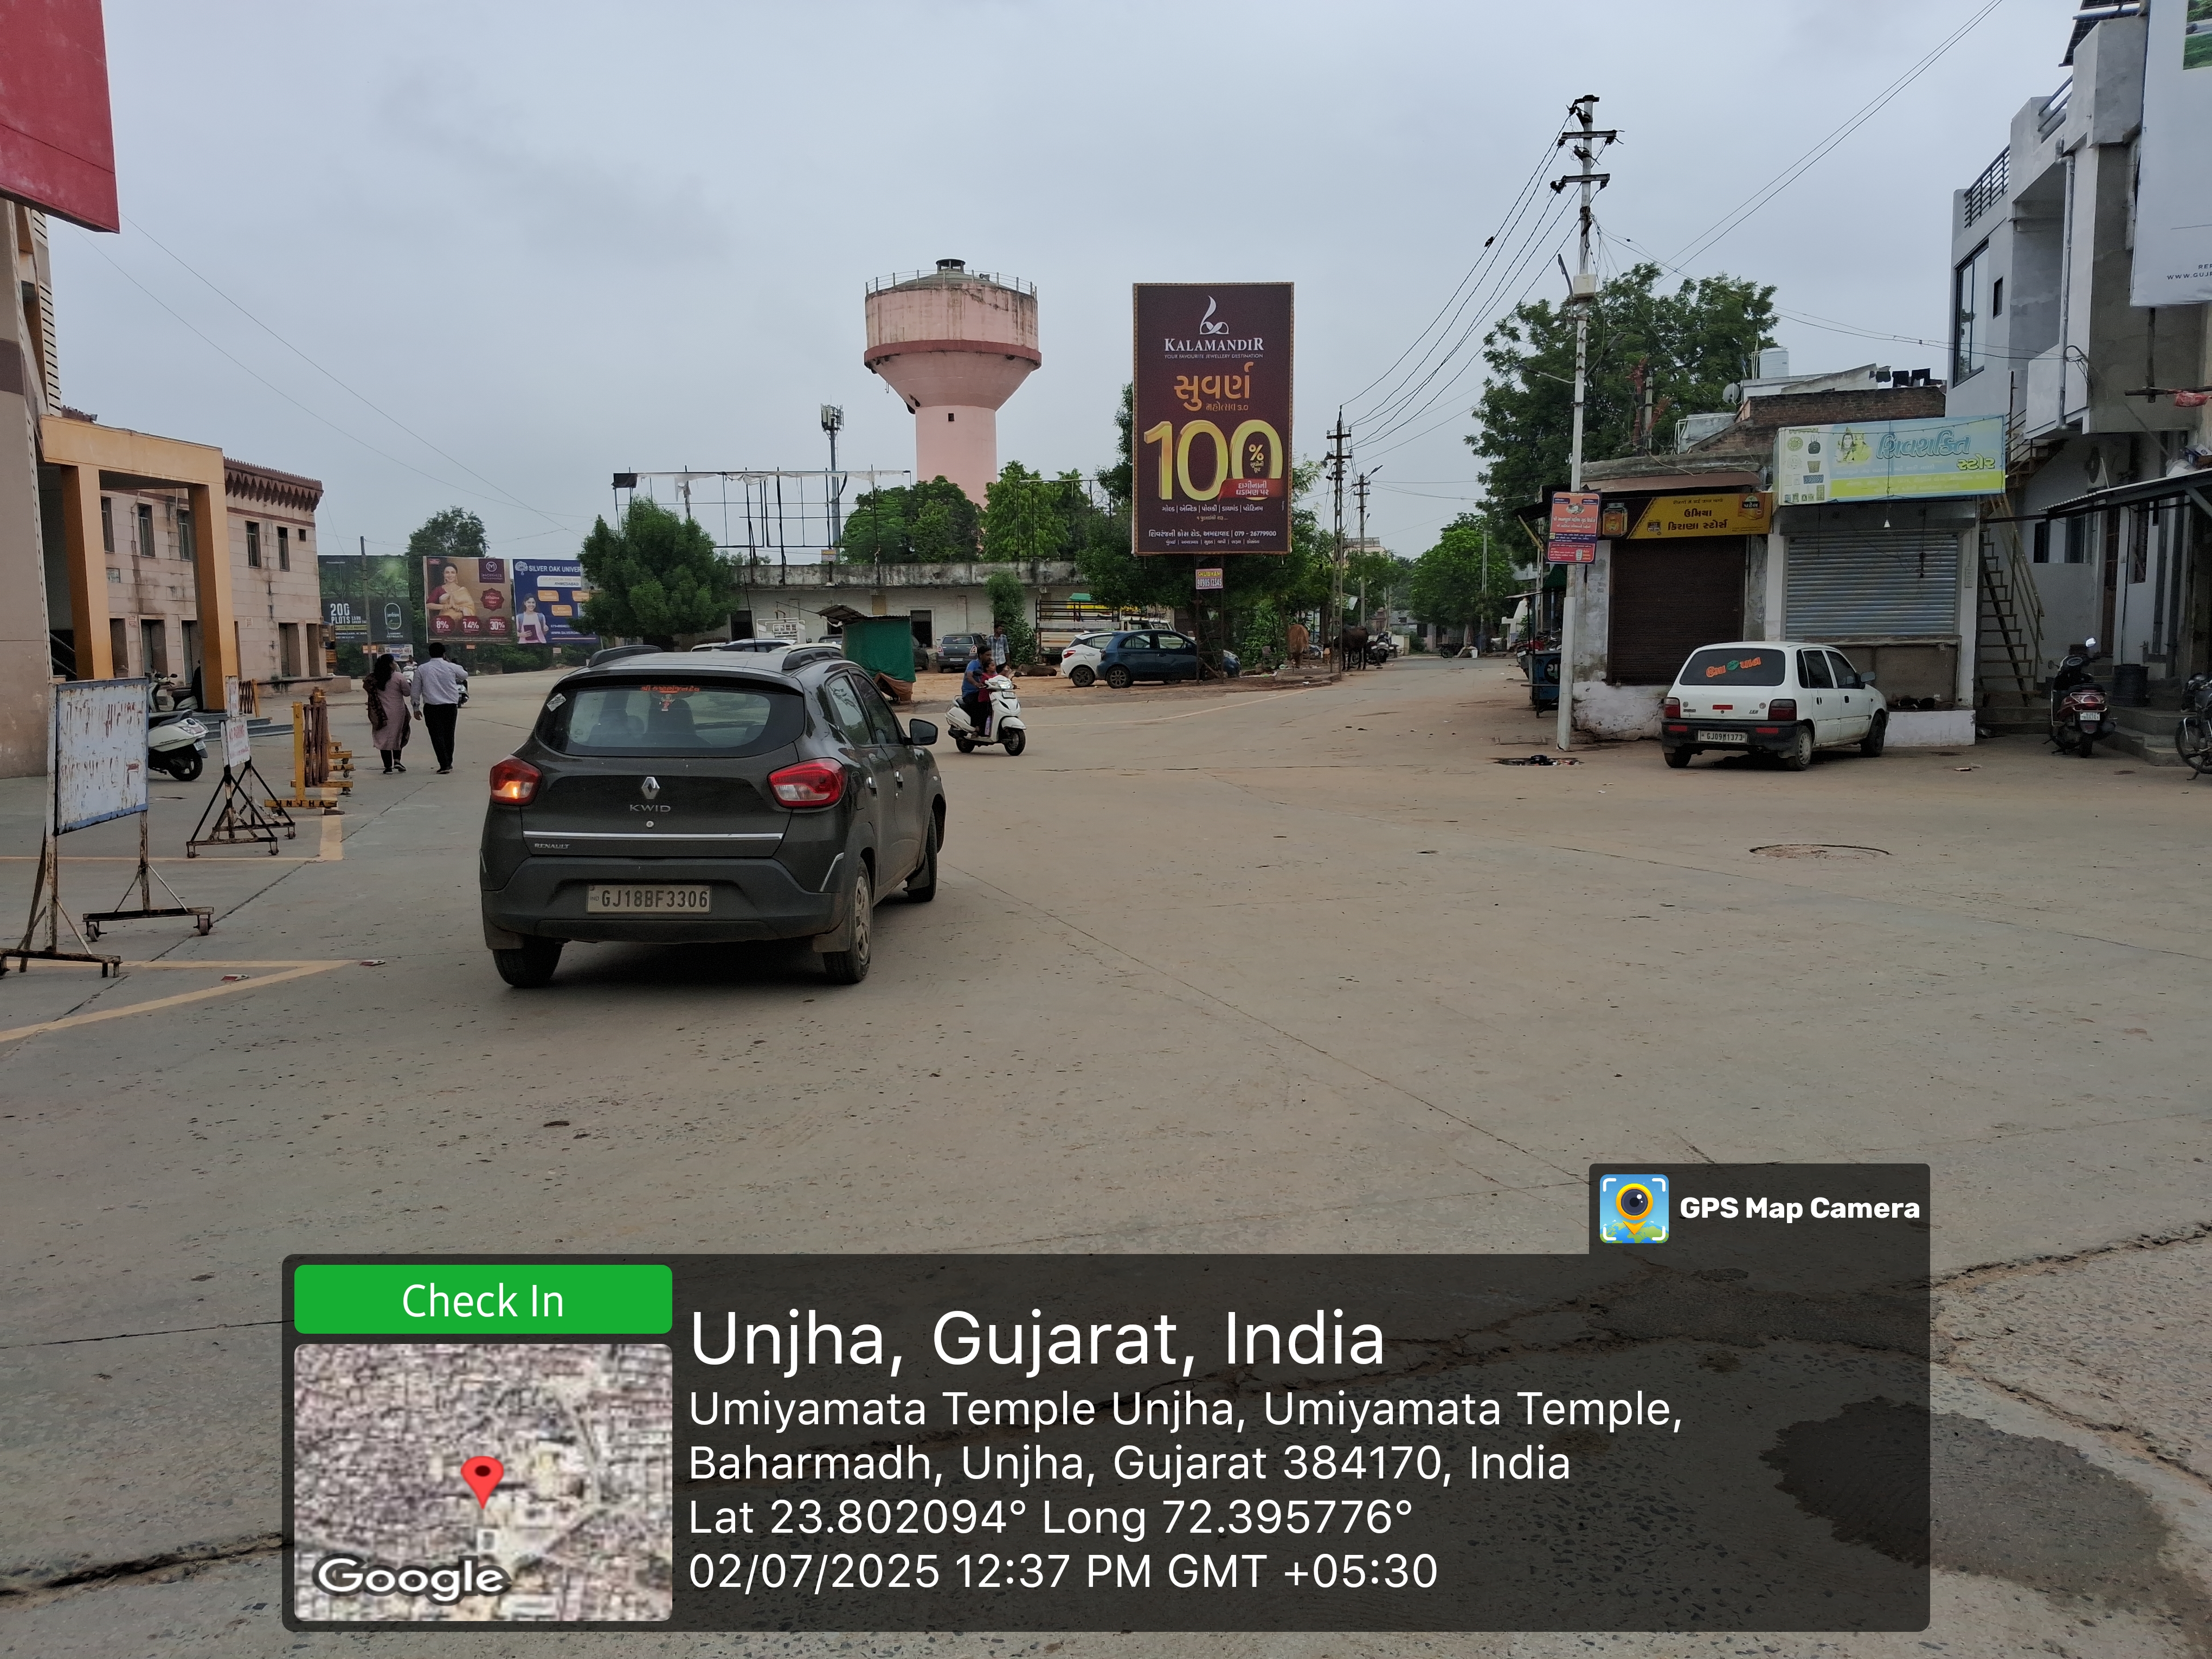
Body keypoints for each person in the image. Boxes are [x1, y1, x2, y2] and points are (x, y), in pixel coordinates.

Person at [409, 640, 470, 773]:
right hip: (450, 706)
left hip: (432, 707)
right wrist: (448, 661)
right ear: (444, 654)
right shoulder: (451, 667)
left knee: (437, 736)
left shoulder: (422, 669)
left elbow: (416, 690)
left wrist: (416, 707)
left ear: (429, 654)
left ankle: (444, 764)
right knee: (449, 735)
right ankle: (449, 761)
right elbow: (464, 675)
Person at [365, 652, 411, 773]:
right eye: (394, 662)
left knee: (383, 738)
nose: (396, 664)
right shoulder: (399, 677)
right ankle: (397, 761)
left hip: (380, 714)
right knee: (398, 735)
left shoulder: (373, 678)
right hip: (398, 712)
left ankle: (388, 767)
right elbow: (407, 693)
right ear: (391, 665)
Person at [961, 649, 992, 738]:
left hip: (985, 692)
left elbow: (996, 676)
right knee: (979, 706)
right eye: (987, 655)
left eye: (990, 655)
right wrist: (976, 684)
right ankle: (976, 729)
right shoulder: (973, 664)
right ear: (981, 655)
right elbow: (969, 676)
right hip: (970, 693)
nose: (990, 657)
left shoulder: (989, 665)